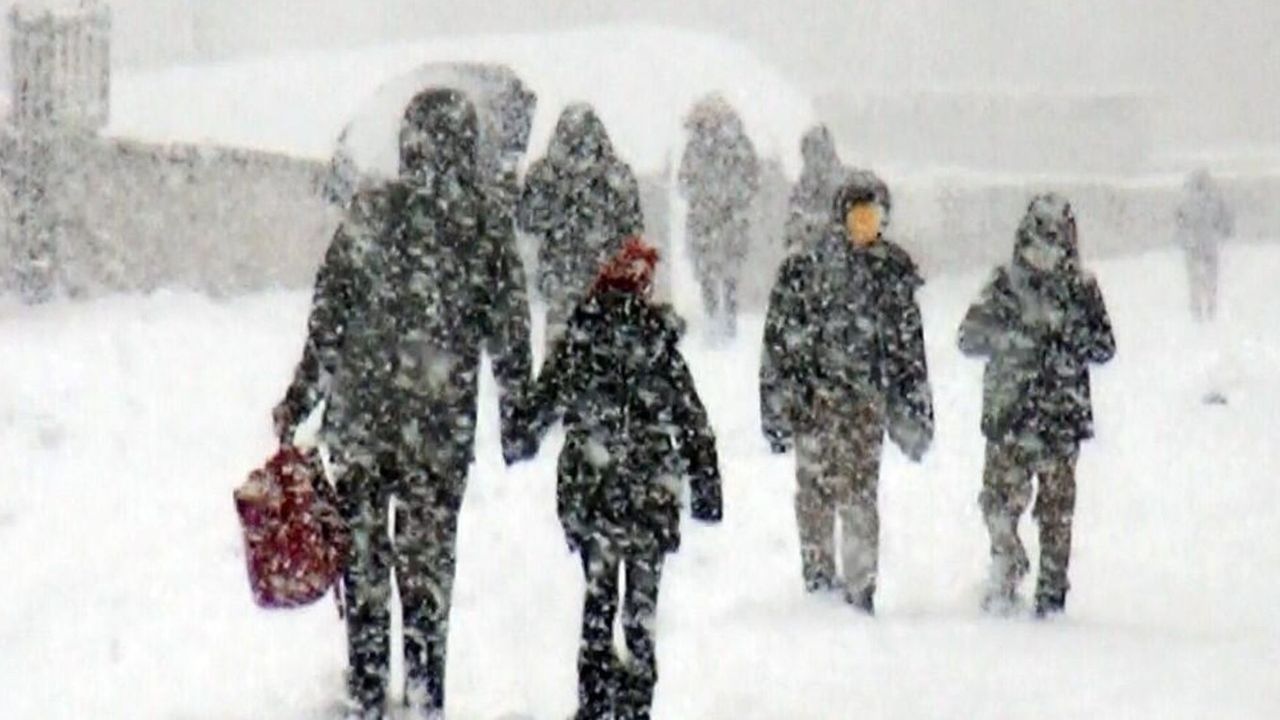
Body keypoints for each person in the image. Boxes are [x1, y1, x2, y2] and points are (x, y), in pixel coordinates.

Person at [273, 88, 533, 719]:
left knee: (363, 566)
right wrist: (517, 413)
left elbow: (328, 318)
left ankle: (367, 691)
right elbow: (510, 331)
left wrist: (301, 398)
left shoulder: (371, 212)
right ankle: (424, 694)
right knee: (426, 572)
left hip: (362, 425)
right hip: (438, 431)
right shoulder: (484, 226)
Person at [521, 237, 723, 720]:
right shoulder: (657, 342)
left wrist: (521, 435)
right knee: (641, 610)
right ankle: (635, 703)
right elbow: (692, 419)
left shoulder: (580, 338)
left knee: (598, 599)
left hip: (592, 493)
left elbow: (539, 407)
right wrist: (706, 486)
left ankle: (593, 703)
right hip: (650, 493)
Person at [759, 172, 933, 613]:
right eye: (857, 219)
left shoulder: (891, 274)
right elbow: (779, 344)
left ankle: (860, 588)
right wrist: (777, 405)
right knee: (814, 493)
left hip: (863, 407)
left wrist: (913, 410)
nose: (865, 229)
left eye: (873, 219)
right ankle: (818, 581)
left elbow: (908, 352)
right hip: (814, 402)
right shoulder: (806, 270)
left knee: (859, 496)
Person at [958, 193, 1116, 617]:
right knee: (997, 504)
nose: (1045, 252)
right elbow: (968, 337)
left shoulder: (1082, 290)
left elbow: (1104, 346)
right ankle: (1007, 566)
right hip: (1010, 416)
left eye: (1055, 242)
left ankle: (1051, 592)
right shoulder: (1003, 284)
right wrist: (1014, 337)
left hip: (1060, 418)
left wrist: (1065, 339)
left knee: (1056, 512)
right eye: (1038, 241)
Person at [518, 103, 645, 348]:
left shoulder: (546, 175)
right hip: (598, 286)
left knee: (562, 364)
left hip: (571, 284)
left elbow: (527, 220)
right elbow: (634, 228)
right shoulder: (615, 177)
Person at [677, 94, 760, 338]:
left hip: (726, 219)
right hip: (707, 220)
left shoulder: (737, 145)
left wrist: (727, 198)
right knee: (708, 272)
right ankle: (713, 316)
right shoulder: (696, 146)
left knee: (728, 272)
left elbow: (751, 178)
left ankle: (728, 319)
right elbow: (684, 180)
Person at [1175, 168, 1234, 321]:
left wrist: (1182, 240)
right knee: (1211, 279)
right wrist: (1225, 233)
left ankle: (1197, 311)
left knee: (1194, 280)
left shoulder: (1185, 201)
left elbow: (1180, 222)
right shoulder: (1215, 200)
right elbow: (1224, 220)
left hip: (1193, 245)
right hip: (1209, 245)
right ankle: (1210, 308)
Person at [783, 124, 848, 253]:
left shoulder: (844, 184)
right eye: (810, 153)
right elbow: (793, 223)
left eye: (819, 152)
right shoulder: (801, 188)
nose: (815, 160)